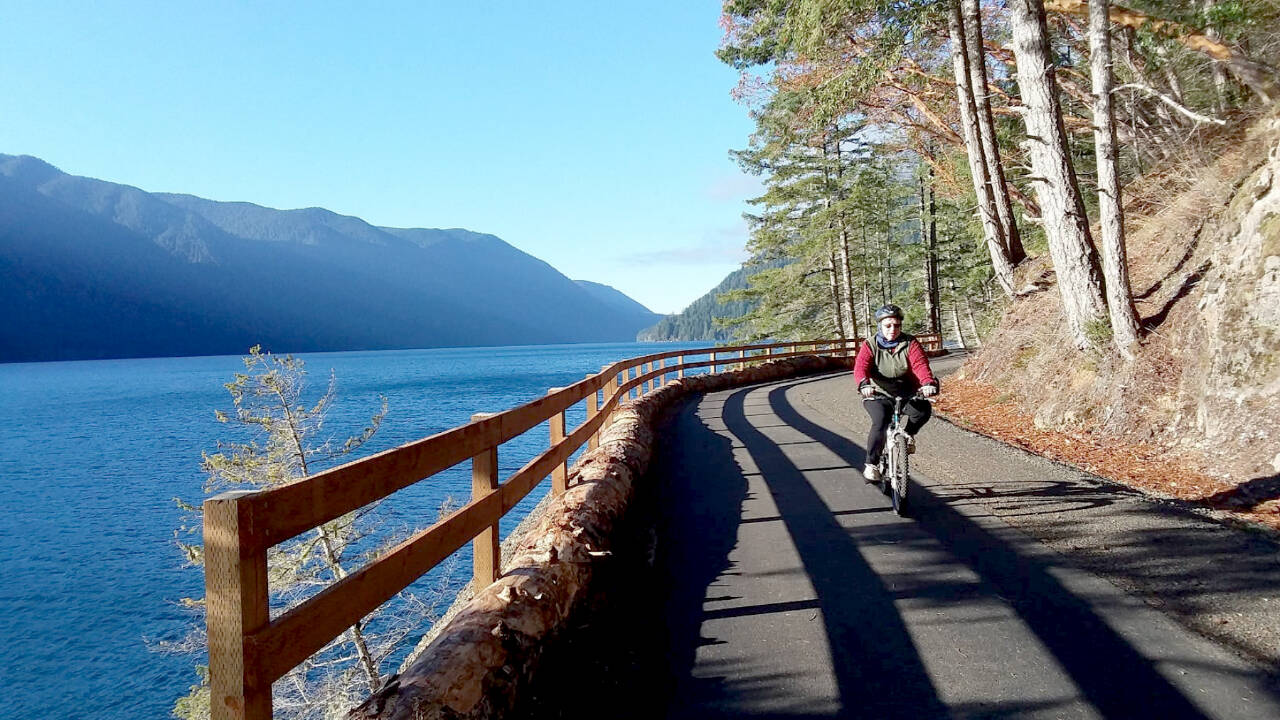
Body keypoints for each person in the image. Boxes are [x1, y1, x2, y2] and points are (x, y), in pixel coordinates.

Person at [853, 304, 939, 483]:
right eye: (888, 326)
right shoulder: (870, 345)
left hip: (907, 392)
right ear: (880, 326)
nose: (893, 329)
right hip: (878, 393)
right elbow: (861, 368)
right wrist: (864, 384)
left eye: (897, 325)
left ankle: (907, 435)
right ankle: (872, 464)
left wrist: (927, 383)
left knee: (922, 411)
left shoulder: (910, 343)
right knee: (881, 420)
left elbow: (920, 365)